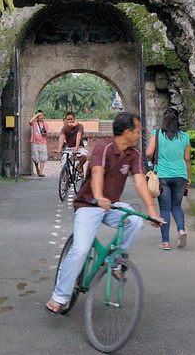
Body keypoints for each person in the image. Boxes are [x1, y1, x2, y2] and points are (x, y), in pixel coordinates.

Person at [45, 111, 163, 315]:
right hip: (89, 204)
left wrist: (152, 210)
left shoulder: (133, 154)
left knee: (135, 220)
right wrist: (99, 196)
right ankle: (59, 296)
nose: (138, 135)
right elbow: (98, 171)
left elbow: (139, 179)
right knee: (81, 250)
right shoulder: (104, 147)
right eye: (137, 131)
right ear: (127, 132)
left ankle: (114, 260)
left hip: (111, 205)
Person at [146, 107, 191, 250]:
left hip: (163, 176)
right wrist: (189, 177)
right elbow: (187, 159)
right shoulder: (185, 137)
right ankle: (181, 230)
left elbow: (148, 153)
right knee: (176, 206)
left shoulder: (157, 134)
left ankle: (165, 242)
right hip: (181, 176)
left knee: (165, 208)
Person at [58, 112, 88, 177]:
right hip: (69, 148)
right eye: (68, 119)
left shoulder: (79, 126)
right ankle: (64, 181)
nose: (70, 121)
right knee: (64, 164)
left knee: (84, 156)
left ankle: (79, 167)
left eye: (71, 119)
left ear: (74, 119)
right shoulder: (65, 128)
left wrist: (76, 148)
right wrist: (60, 148)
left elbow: (78, 136)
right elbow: (62, 137)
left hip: (79, 147)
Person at [29, 110, 49, 177]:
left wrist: (44, 134)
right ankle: (37, 169)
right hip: (35, 142)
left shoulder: (45, 124)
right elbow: (30, 121)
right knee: (35, 157)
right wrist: (36, 115)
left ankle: (41, 171)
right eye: (39, 116)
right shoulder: (34, 123)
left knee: (43, 157)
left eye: (42, 115)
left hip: (43, 142)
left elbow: (47, 134)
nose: (41, 117)